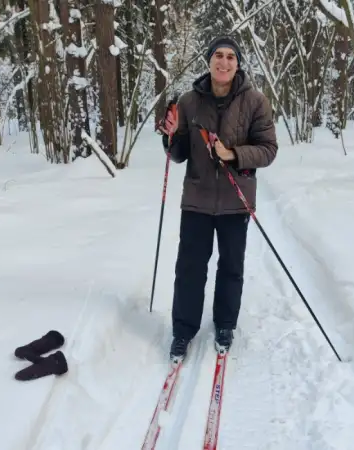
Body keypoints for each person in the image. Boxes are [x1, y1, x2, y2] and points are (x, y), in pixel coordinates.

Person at [158, 35, 278, 361]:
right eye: (218, 56)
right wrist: (171, 136)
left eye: (230, 57)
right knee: (190, 268)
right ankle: (183, 331)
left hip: (235, 200)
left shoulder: (255, 102)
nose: (223, 62)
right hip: (197, 198)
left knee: (231, 267)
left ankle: (225, 324)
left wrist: (233, 153)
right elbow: (179, 153)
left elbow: (268, 150)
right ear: (209, 61)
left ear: (238, 64)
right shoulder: (188, 102)